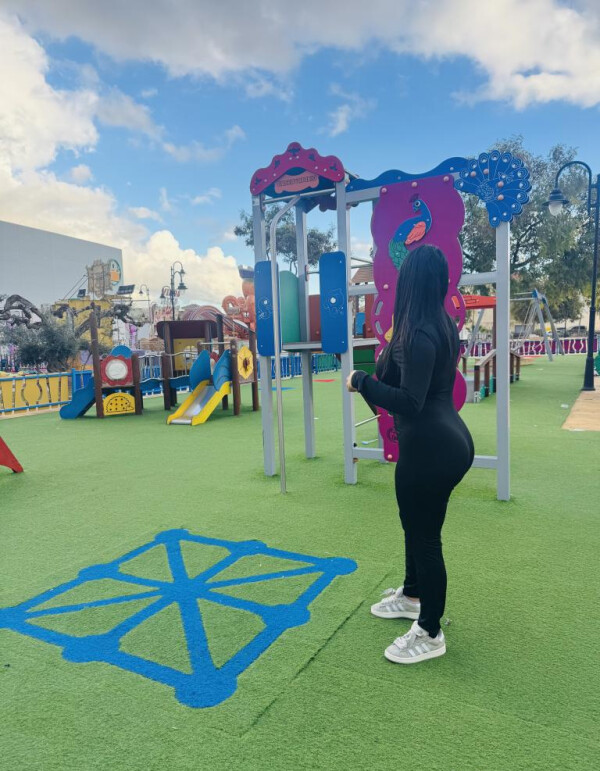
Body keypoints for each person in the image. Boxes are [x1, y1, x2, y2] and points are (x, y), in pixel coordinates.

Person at [347, 245, 474, 665]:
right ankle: (413, 594)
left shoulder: (420, 334)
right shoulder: (437, 325)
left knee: (425, 536)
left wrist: (361, 380)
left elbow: (410, 401)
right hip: (441, 440)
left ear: (409, 284)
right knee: (414, 524)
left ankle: (430, 631)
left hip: (432, 447)